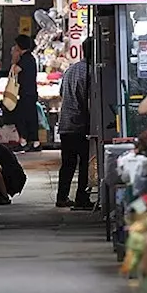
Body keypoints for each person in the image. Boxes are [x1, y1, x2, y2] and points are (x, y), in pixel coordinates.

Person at [56, 38, 93, 209]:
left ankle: (62, 197)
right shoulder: (90, 72)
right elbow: (87, 100)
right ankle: (82, 198)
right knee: (85, 162)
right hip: (80, 124)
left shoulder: (71, 70)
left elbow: (61, 92)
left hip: (65, 123)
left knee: (68, 164)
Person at [7, 34, 40, 149]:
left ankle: (27, 141)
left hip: (26, 93)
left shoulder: (25, 59)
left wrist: (14, 59)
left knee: (25, 117)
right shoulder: (31, 58)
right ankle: (33, 141)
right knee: (31, 116)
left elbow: (14, 71)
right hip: (30, 92)